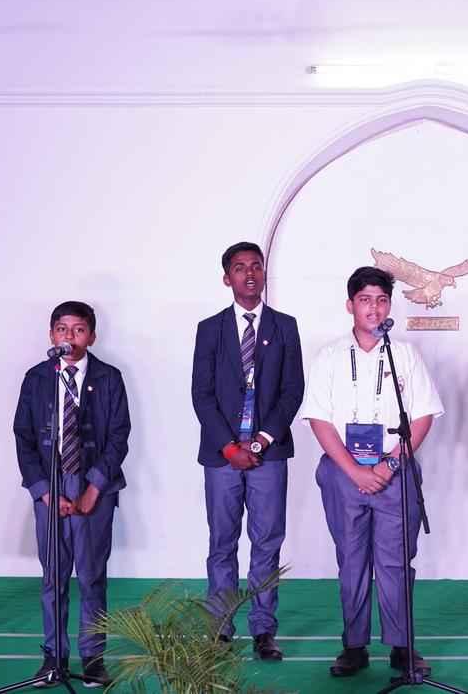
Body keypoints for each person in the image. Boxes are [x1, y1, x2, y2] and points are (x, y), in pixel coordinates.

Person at [301, 266, 443, 678]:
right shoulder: (329, 356)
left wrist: (390, 463)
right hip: (343, 472)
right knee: (352, 561)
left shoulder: (405, 355)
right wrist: (355, 471)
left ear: (389, 306)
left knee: (396, 561)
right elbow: (319, 420)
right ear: (350, 305)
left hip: (394, 471)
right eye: (365, 300)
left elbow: (422, 416)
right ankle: (354, 645)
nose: (374, 308)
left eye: (381, 300)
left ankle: (402, 646)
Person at [191, 241, 304, 661]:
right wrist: (228, 446)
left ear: (264, 273)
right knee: (222, 542)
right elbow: (201, 394)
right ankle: (220, 628)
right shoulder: (210, 329)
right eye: (240, 268)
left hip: (268, 455)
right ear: (227, 278)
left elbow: (293, 390)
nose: (250, 273)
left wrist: (261, 440)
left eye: (256, 266)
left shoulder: (285, 326)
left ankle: (263, 630)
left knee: (267, 542)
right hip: (221, 455)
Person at [14, 301, 131, 687]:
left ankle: (93, 658)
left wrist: (94, 487)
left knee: (92, 577)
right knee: (54, 578)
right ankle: (54, 657)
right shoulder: (37, 378)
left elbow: (119, 436)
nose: (70, 337)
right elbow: (23, 437)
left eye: (78, 330)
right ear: (52, 335)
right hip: (51, 488)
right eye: (62, 329)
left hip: (95, 486)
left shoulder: (109, 378)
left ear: (91, 336)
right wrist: (45, 492)